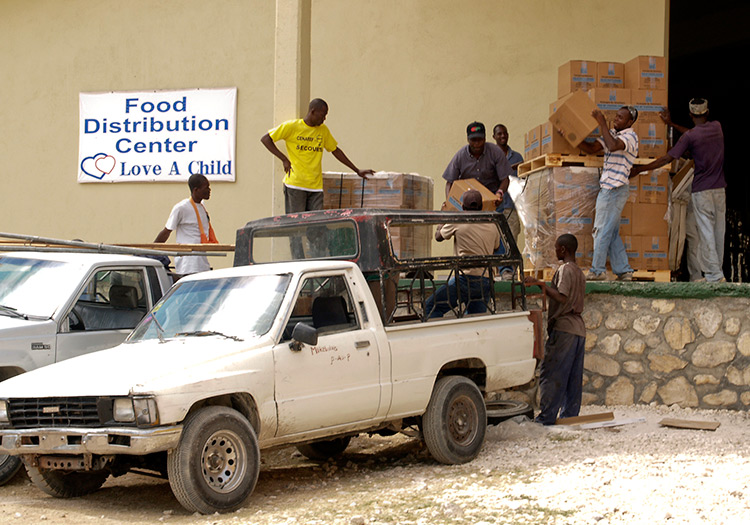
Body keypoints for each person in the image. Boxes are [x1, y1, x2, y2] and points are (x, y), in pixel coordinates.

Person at [630, 98, 726, 282]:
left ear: (690, 115)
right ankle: (717, 272)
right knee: (718, 232)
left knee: (705, 233)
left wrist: (639, 169)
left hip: (702, 191)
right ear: (707, 113)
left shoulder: (690, 137)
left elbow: (667, 159)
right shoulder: (717, 127)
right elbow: (692, 134)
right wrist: (672, 124)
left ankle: (714, 274)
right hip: (720, 190)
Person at [261, 98, 374, 213]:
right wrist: (284, 159)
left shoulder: (323, 130)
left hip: (315, 187)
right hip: (296, 186)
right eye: (323, 115)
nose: (324, 119)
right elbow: (266, 139)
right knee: (296, 224)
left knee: (315, 226)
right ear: (313, 111)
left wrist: (356, 170)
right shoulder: (292, 127)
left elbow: (335, 150)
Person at [525, 233, 586, 425]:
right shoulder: (579, 272)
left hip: (565, 328)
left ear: (563, 249)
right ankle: (569, 416)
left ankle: (547, 417)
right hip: (578, 330)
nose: (555, 251)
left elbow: (561, 296)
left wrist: (539, 285)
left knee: (552, 373)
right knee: (572, 377)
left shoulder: (566, 270)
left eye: (556, 248)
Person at [577, 106, 639, 281]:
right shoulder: (612, 133)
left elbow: (612, 146)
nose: (615, 120)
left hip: (614, 190)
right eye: (616, 116)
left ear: (629, 122)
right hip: (610, 189)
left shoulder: (630, 137)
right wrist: (570, 137)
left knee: (601, 230)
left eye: (620, 118)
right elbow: (591, 148)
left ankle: (598, 270)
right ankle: (624, 270)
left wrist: (602, 122)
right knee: (610, 232)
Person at [424, 189, 501, 318]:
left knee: (430, 307)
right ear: (482, 206)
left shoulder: (459, 220)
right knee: (475, 320)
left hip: (464, 279)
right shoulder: (492, 224)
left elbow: (438, 237)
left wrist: (443, 216)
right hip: (485, 281)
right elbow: (496, 247)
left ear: (462, 206)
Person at [154, 173, 216, 277]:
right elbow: (166, 231)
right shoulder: (181, 208)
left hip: (202, 261)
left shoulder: (202, 206)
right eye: (206, 187)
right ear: (196, 190)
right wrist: (151, 251)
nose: (209, 190)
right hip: (188, 264)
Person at [443, 121, 512, 203]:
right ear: (468, 139)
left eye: (480, 140)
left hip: (492, 200)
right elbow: (449, 182)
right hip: (468, 203)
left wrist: (499, 193)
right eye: (473, 140)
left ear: (485, 138)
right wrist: (449, 201)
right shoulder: (460, 156)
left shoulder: (496, 152)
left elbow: (505, 179)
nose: (477, 144)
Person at [492, 123, 525, 241]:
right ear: (493, 137)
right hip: (494, 209)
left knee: (511, 243)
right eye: (499, 134)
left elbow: (524, 182)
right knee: (494, 243)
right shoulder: (490, 157)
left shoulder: (517, 157)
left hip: (511, 209)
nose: (502, 136)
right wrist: (510, 168)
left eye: (505, 133)